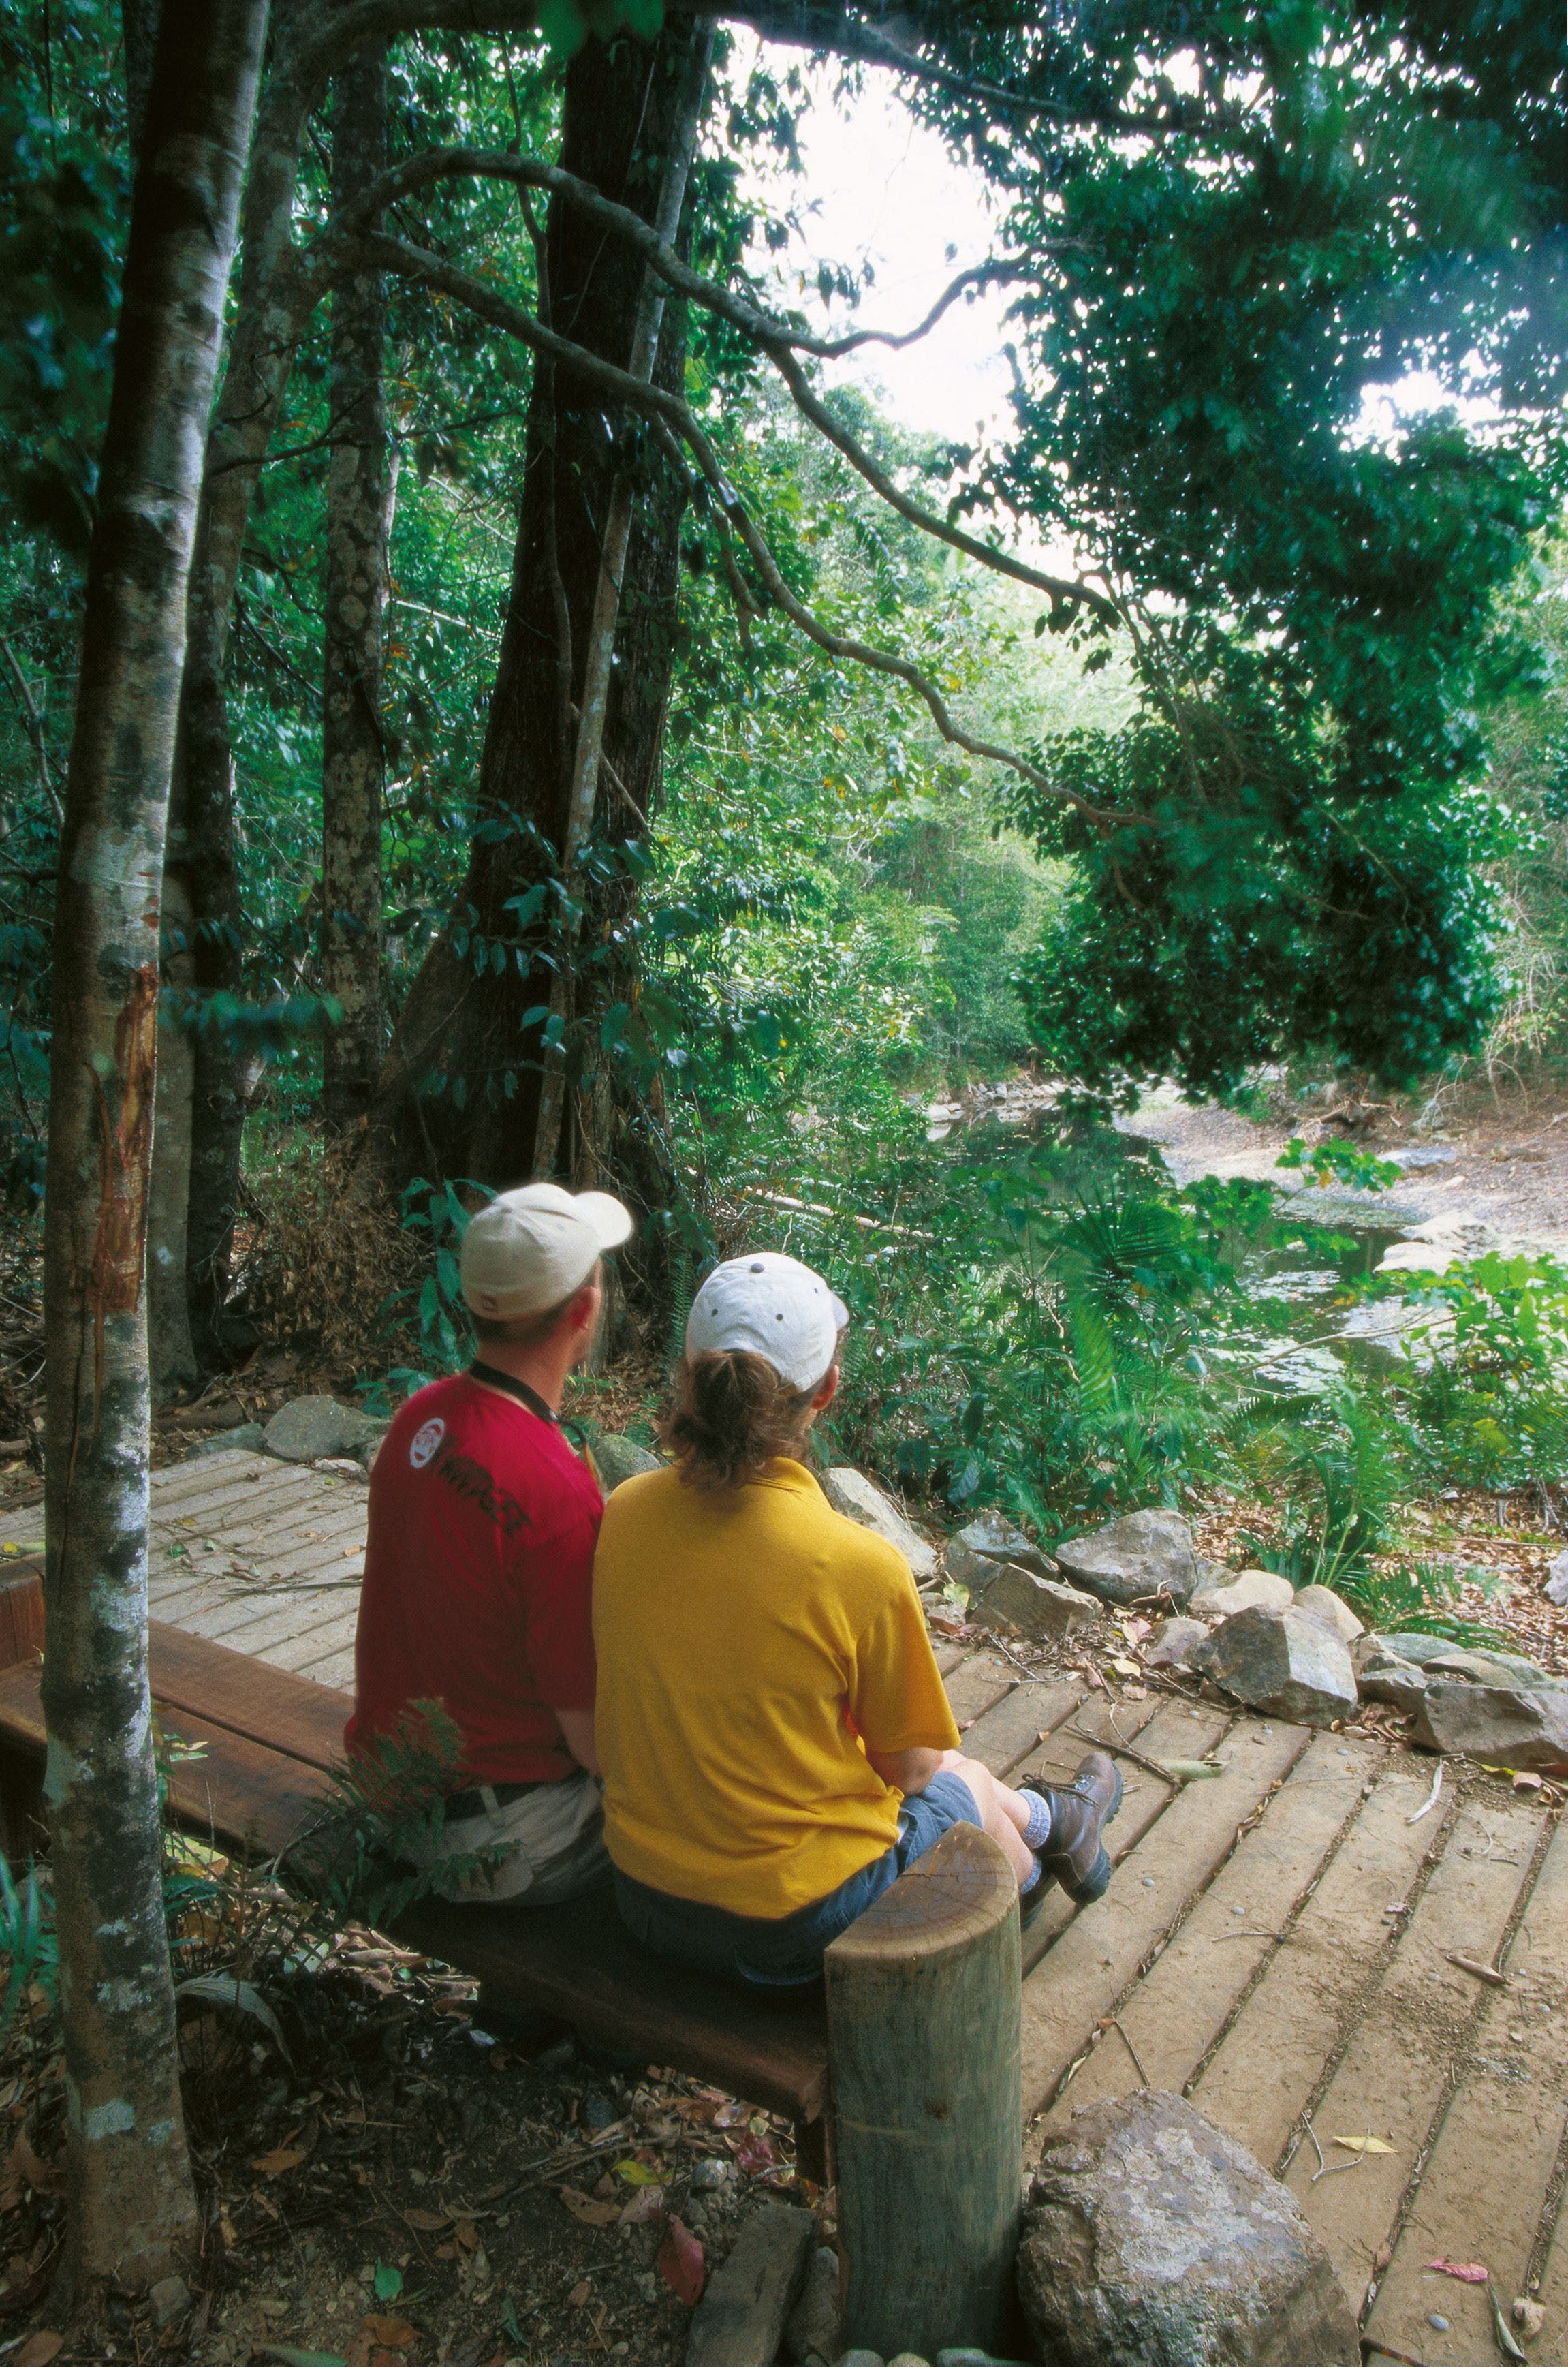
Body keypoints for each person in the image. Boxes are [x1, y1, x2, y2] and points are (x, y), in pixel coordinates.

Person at [591, 1250, 1122, 1988]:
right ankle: (1039, 1859)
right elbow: (909, 1771)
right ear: (828, 1391)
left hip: (644, 1897)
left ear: (686, 1374)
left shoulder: (624, 1513)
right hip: (791, 1931)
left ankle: (1059, 1821)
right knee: (959, 1785)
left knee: (959, 1783)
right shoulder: (858, 1565)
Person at [346, 1180, 633, 1904]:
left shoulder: (420, 1418)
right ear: (584, 1309)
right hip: (503, 1839)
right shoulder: (557, 1493)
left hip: (394, 1794)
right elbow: (594, 1747)